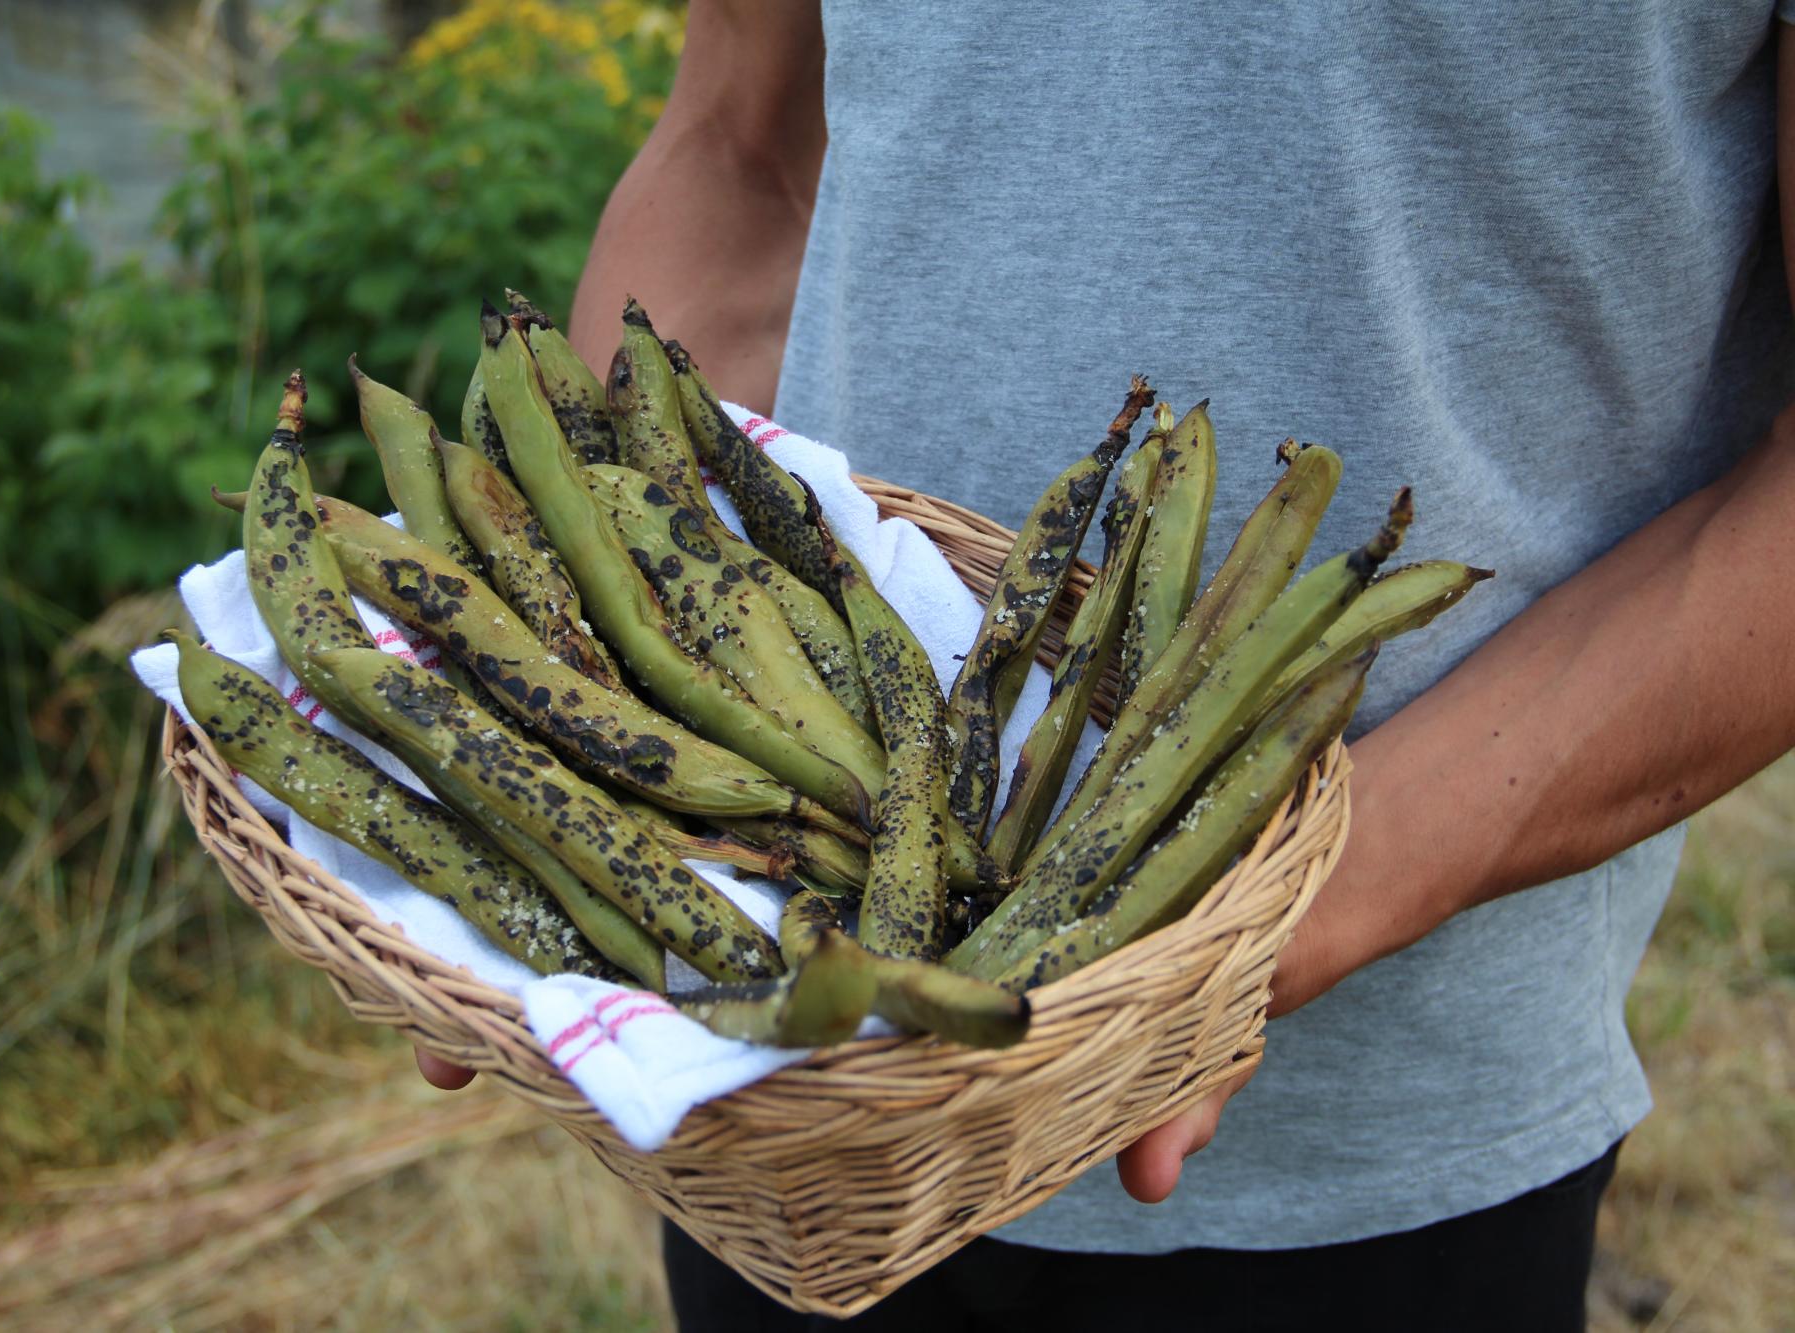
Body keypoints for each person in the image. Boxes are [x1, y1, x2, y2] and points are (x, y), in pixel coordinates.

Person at [423, 4, 1795, 1327]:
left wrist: (1257, 915)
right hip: (787, 1103)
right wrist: (563, 761)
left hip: (1366, 1165)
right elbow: (740, 146)